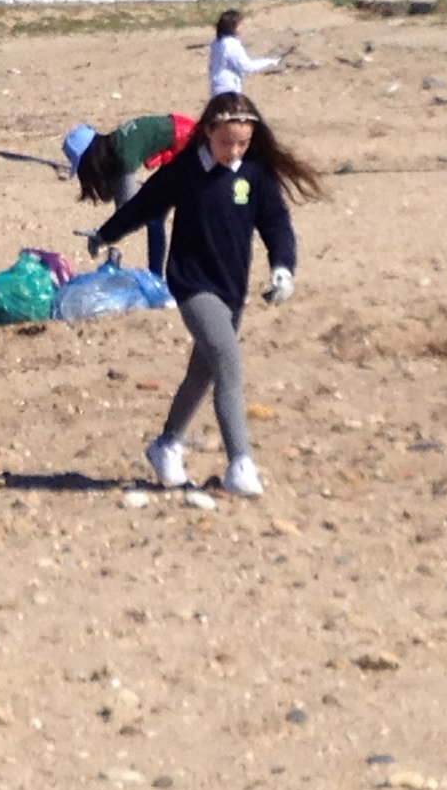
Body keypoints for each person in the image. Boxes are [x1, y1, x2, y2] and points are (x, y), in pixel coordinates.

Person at [85, 91, 324, 498]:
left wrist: (283, 267)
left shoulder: (255, 174)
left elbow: (276, 224)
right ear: (208, 132)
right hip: (191, 282)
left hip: (232, 286)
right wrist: (105, 234)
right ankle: (240, 464)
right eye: (226, 142)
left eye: (242, 143)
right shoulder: (185, 170)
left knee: (203, 371)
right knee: (229, 363)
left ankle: (165, 445)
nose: (234, 151)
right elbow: (144, 204)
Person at [62, 112, 196, 274]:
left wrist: (100, 236)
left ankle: (158, 277)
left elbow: (131, 210)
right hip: (182, 141)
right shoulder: (115, 144)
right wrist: (104, 234)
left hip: (188, 143)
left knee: (154, 215)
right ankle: (157, 275)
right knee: (155, 213)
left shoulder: (123, 155)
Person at [208, 8, 281, 97]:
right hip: (228, 90)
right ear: (232, 26)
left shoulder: (217, 42)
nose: (242, 27)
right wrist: (269, 62)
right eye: (239, 24)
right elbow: (247, 67)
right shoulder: (232, 44)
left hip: (216, 88)